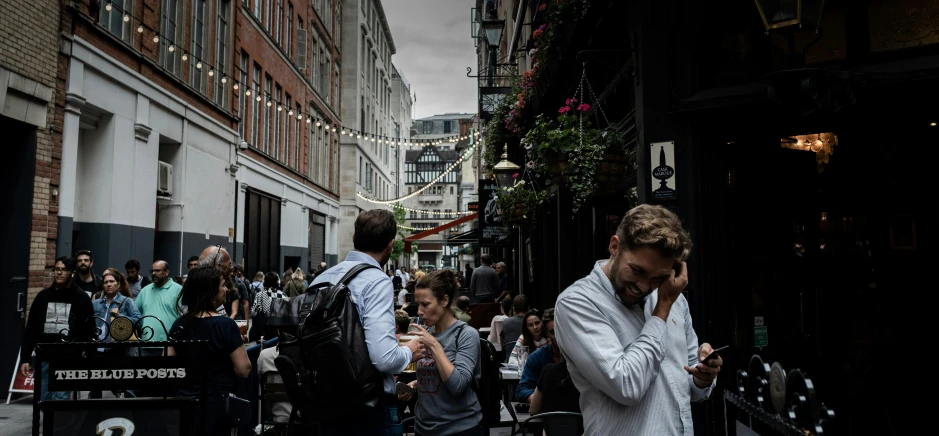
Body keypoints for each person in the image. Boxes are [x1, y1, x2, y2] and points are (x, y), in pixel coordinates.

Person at [554, 204, 723, 435]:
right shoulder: (577, 303)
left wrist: (703, 377)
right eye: (637, 270)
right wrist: (661, 310)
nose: (644, 286)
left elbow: (689, 385)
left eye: (658, 278)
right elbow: (627, 386)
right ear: (614, 246)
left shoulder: (673, 299)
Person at [310, 209, 424, 435]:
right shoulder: (377, 281)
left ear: (354, 238)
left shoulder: (322, 279)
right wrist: (410, 351)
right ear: (390, 246)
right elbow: (384, 359)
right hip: (367, 408)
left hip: (323, 401)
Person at [168, 266, 251, 435]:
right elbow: (243, 369)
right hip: (216, 405)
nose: (226, 289)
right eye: (223, 285)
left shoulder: (179, 323)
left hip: (185, 402)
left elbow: (168, 363)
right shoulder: (225, 325)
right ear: (211, 291)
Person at [398, 270, 483, 436]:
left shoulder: (466, 334)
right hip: (423, 427)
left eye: (426, 304)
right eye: (418, 304)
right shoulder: (425, 333)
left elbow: (458, 386)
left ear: (444, 300)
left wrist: (434, 344)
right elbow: (435, 375)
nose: (420, 311)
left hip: (460, 428)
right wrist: (416, 385)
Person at [19, 256, 95, 401]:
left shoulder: (81, 298)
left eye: (64, 270)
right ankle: (50, 423)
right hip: (45, 356)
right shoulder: (43, 297)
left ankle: (58, 424)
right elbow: (31, 329)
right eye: (57, 269)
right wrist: (25, 358)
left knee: (61, 398)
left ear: (72, 272)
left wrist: (88, 358)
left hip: (69, 358)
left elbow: (89, 330)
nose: (59, 273)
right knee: (43, 398)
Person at [90, 268, 142, 398]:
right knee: (96, 384)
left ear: (118, 284)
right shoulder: (96, 303)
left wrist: (121, 317)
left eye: (112, 281)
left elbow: (139, 321)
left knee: (118, 382)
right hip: (98, 349)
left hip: (117, 348)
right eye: (106, 282)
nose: (108, 284)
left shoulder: (126, 301)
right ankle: (94, 413)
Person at [135, 260, 182, 356]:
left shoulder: (178, 290)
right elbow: (135, 312)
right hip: (146, 343)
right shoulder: (145, 290)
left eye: (157, 271)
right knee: (145, 371)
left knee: (166, 371)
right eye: (152, 271)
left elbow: (184, 315)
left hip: (169, 344)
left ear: (166, 272)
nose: (153, 274)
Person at [515, 309, 561, 404]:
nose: (557, 336)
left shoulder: (581, 355)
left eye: (560, 330)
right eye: (552, 332)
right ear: (547, 333)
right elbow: (522, 389)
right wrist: (539, 399)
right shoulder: (537, 357)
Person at [249, 272, 285, 342]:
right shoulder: (283, 295)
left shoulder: (260, 295)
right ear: (277, 282)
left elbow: (254, 313)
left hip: (260, 332)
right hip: (276, 332)